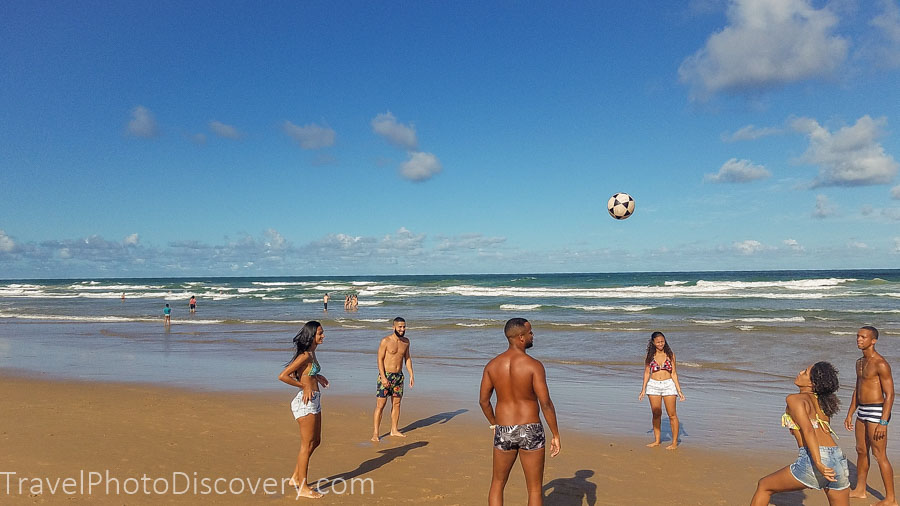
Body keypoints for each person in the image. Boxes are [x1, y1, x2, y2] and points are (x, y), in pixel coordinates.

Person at [479, 318, 561, 506]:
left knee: (498, 483)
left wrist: (494, 423)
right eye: (530, 332)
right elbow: (546, 403)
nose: (533, 335)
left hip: (504, 428)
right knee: (534, 489)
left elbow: (483, 401)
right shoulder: (533, 365)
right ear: (521, 337)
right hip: (530, 428)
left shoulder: (492, 366)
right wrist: (555, 434)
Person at [751, 362, 849, 505]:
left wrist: (818, 463)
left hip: (816, 458)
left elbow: (808, 430)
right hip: (837, 458)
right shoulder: (823, 403)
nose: (800, 372)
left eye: (805, 372)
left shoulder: (794, 399)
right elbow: (823, 431)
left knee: (764, 486)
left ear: (813, 383)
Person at [844, 325, 896, 505]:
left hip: (876, 411)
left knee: (879, 455)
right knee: (861, 451)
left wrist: (883, 421)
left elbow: (890, 395)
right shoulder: (859, 362)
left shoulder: (880, 363)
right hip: (862, 411)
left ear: (873, 340)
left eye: (863, 337)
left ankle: (891, 499)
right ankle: (860, 489)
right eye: (858, 336)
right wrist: (850, 412)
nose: (859, 339)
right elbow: (857, 389)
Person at [278, 321, 329, 499]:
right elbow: (283, 376)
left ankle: (295, 477)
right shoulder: (306, 355)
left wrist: (316, 376)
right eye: (320, 333)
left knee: (316, 441)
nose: (323, 336)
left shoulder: (312, 353)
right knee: (306, 445)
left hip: (314, 399)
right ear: (312, 335)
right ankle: (303, 487)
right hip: (306, 401)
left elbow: (302, 372)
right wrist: (303, 386)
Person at [638, 331, 685, 449]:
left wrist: (679, 391)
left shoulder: (670, 354)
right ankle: (657, 440)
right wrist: (643, 389)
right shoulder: (649, 356)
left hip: (668, 384)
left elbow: (674, 373)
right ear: (653, 342)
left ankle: (674, 443)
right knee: (656, 413)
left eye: (662, 341)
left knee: (672, 414)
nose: (660, 344)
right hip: (653, 385)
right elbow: (647, 373)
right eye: (658, 342)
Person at [372, 317, 414, 441]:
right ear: (394, 327)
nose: (402, 329)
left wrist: (411, 374)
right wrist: (383, 377)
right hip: (386, 376)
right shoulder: (386, 341)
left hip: (398, 377)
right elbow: (379, 359)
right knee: (380, 405)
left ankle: (394, 430)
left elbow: (407, 358)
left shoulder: (406, 342)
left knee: (396, 404)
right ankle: (375, 433)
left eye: (404, 327)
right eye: (400, 327)